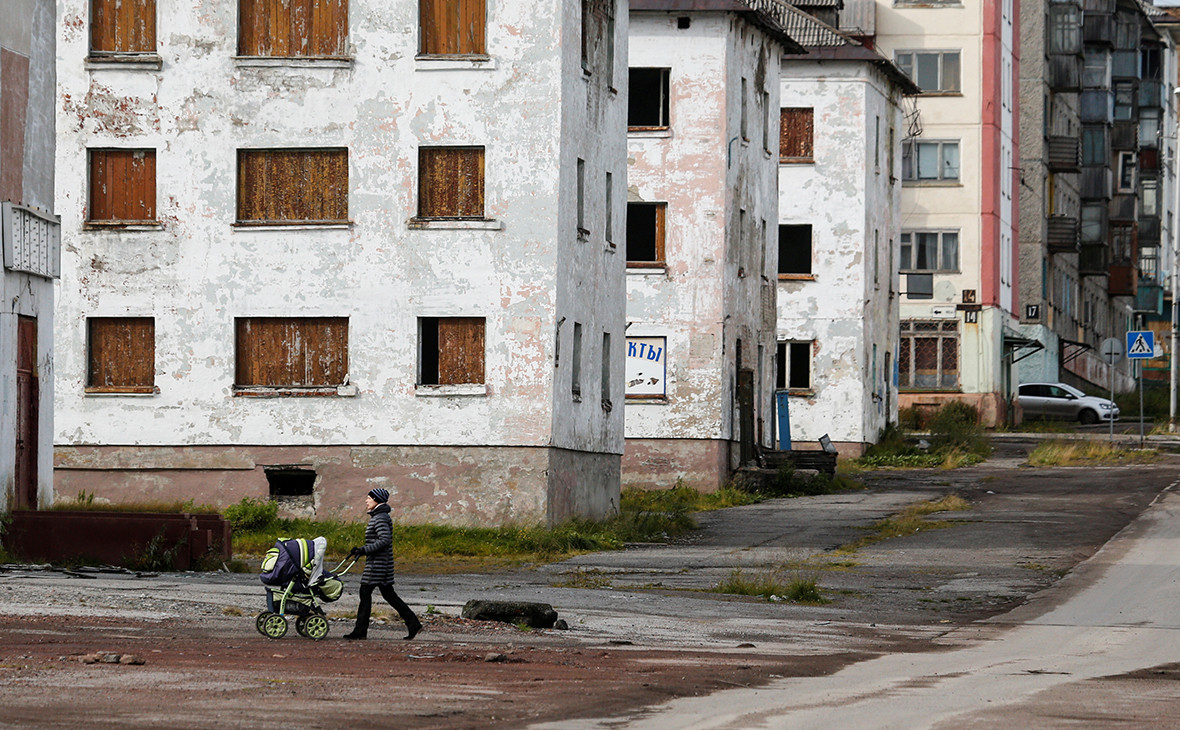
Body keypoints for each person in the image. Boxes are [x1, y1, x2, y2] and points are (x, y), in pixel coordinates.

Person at [343, 488, 422, 641]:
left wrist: (364, 550)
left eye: (369, 498)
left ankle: (360, 630)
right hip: (381, 563)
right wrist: (362, 550)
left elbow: (384, 540)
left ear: (376, 500)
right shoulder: (380, 516)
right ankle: (413, 623)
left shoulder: (379, 518)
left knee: (365, 593)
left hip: (377, 564)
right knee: (389, 595)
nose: (366, 501)